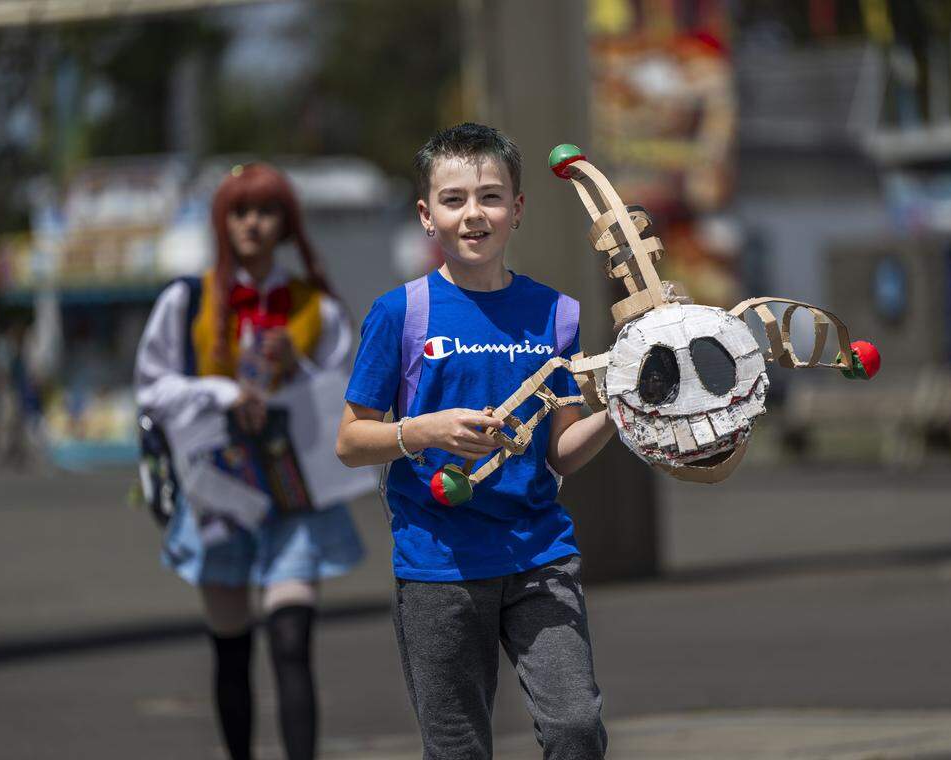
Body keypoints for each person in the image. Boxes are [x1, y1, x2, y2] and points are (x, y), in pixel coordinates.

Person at [336, 123, 617, 760]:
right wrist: (424, 431)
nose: (473, 214)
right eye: (454, 199)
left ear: (517, 209)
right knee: (459, 749)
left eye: (490, 197)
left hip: (540, 556)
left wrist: (623, 417)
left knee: (576, 729)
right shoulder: (399, 313)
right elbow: (351, 441)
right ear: (426, 215)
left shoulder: (556, 314)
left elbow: (561, 451)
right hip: (439, 565)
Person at [135, 163, 364, 760]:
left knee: (292, 639)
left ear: (287, 223)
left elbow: (351, 393)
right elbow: (151, 387)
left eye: (266, 211)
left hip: (296, 494)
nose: (254, 224)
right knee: (231, 647)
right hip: (217, 492)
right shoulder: (186, 300)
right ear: (222, 221)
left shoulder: (319, 307)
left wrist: (300, 366)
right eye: (240, 211)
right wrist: (222, 393)